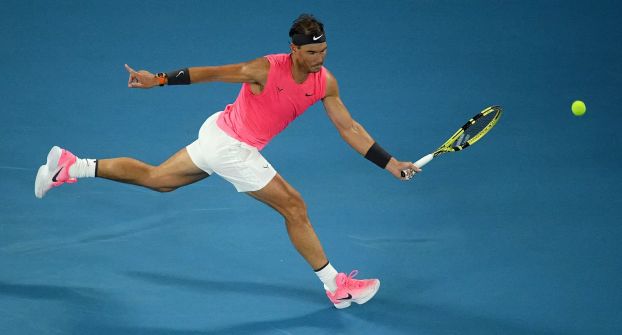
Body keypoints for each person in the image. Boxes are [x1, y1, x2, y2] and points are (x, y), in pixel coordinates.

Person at [34, 13, 420, 309]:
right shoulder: (265, 69)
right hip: (229, 145)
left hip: (219, 135)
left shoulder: (326, 82)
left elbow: (349, 127)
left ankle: (71, 165)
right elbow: (211, 73)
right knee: (295, 206)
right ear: (294, 50)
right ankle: (336, 285)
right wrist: (160, 80)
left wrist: (390, 163)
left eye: (323, 51)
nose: (319, 59)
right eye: (311, 52)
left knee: (158, 179)